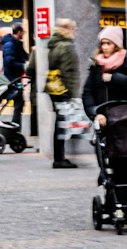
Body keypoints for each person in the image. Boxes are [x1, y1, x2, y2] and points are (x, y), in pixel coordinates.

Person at [81, 26, 127, 125]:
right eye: (103, 43)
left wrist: (114, 78)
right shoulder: (97, 65)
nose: (105, 47)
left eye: (108, 43)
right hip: (103, 121)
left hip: (125, 119)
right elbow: (88, 93)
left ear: (116, 45)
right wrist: (95, 113)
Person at [45, 17, 81, 167]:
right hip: (63, 90)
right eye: (74, 29)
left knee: (60, 123)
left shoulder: (54, 45)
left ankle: (59, 157)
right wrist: (71, 93)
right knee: (61, 124)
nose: (75, 32)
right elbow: (68, 72)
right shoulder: (66, 46)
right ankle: (59, 159)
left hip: (54, 88)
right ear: (67, 30)